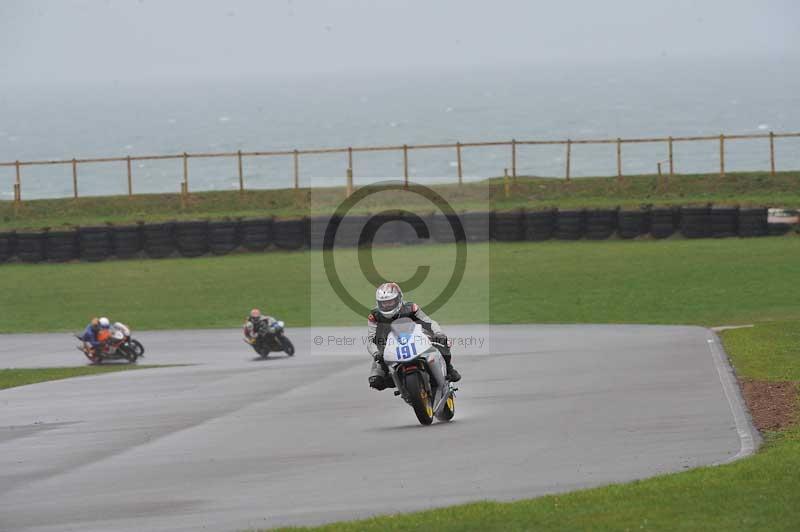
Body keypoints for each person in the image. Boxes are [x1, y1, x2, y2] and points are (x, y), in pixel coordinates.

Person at [366, 282, 461, 390]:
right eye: (383, 303)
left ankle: (449, 368)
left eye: (390, 301)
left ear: (399, 299)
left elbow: (429, 322)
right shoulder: (374, 316)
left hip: (416, 338)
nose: (387, 305)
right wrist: (376, 353)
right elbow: (371, 339)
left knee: (442, 343)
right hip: (388, 345)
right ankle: (401, 383)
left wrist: (438, 333)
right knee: (376, 381)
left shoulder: (411, 308)